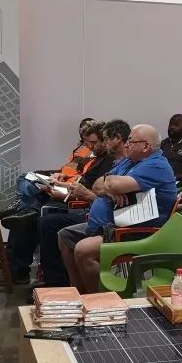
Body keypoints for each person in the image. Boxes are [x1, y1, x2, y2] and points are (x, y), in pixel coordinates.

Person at [66, 125, 178, 293]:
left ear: (146, 146)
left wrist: (111, 184)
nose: (126, 145)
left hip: (136, 231)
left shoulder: (156, 165)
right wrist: (112, 189)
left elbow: (110, 183)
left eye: (131, 142)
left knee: (83, 250)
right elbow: (97, 185)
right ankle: (80, 294)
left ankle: (100, 301)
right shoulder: (130, 161)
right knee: (65, 236)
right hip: (112, 225)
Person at [32, 120, 131, 287]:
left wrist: (90, 192)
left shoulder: (137, 164)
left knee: (48, 222)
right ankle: (71, 287)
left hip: (102, 216)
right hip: (92, 210)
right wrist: (106, 188)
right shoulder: (117, 162)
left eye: (104, 140)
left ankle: (57, 283)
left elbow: (99, 189)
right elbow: (98, 185)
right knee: (50, 220)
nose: (90, 146)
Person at [1, 120, 106, 227]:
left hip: (74, 196)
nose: (90, 146)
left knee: (35, 196)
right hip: (67, 184)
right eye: (87, 141)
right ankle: (24, 209)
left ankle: (24, 210)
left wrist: (65, 191)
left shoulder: (105, 160)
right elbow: (80, 175)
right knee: (28, 179)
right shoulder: (90, 154)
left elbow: (89, 189)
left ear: (104, 140)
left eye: (93, 142)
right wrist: (61, 180)